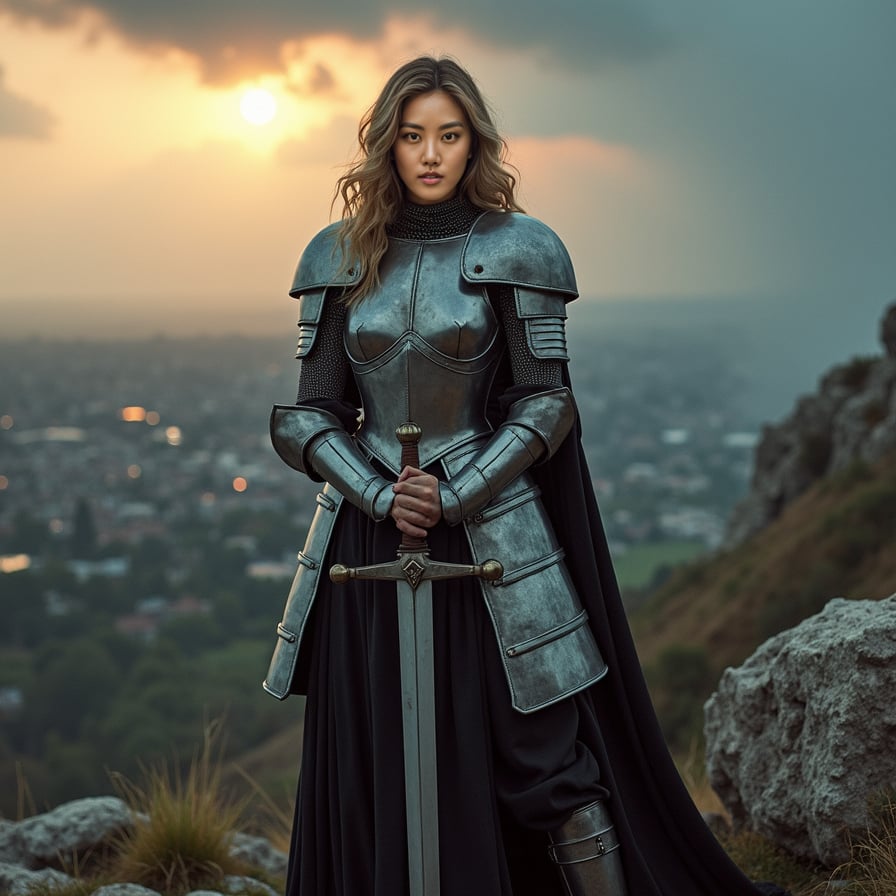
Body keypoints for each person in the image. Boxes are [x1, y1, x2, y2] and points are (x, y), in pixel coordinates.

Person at [265, 55, 786, 896]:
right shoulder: (338, 256)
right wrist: (379, 494)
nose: (430, 154)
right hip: (368, 539)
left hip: (495, 542)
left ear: (475, 143)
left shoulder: (520, 249)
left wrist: (454, 494)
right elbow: (308, 415)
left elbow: (546, 405)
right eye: (411, 136)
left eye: (449, 134)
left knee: (543, 758)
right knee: (377, 760)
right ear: (385, 147)